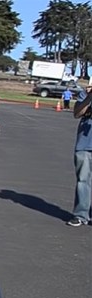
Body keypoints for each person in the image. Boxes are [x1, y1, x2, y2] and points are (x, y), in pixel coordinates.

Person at [67, 85, 92, 227]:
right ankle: (81, 215)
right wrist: (89, 98)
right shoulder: (86, 94)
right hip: (85, 144)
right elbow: (77, 113)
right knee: (83, 181)